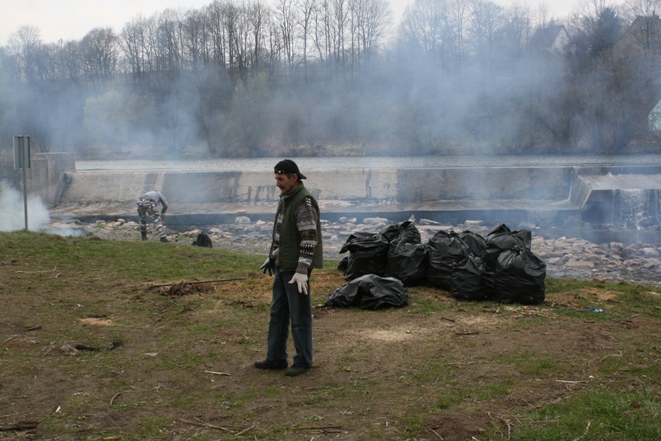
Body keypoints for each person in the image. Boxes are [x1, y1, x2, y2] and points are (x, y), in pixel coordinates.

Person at [256, 159, 323, 377]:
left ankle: (303, 360)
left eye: (280, 179)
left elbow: (309, 238)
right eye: (276, 178)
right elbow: (281, 233)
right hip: (282, 265)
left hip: (296, 271)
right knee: (278, 313)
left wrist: (302, 270)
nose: (277, 183)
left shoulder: (303, 202)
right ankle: (275, 358)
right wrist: (273, 256)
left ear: (294, 178)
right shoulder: (286, 198)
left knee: (299, 316)